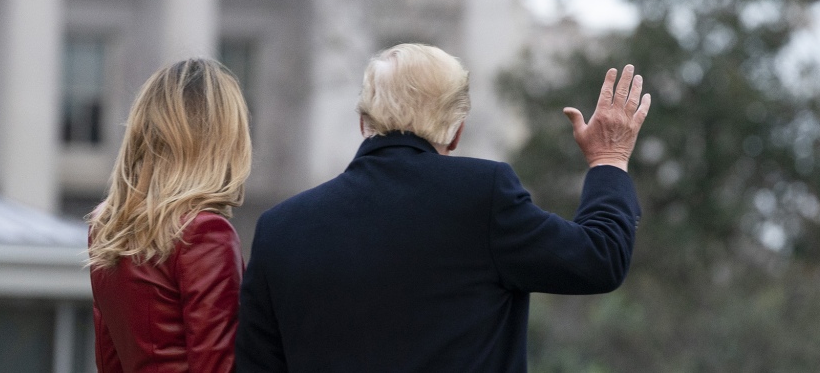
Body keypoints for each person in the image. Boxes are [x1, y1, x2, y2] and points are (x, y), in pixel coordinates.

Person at [236, 43, 651, 373]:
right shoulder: (481, 195)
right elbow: (599, 257)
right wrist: (609, 158)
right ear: (456, 130)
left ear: (364, 121)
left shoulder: (279, 228)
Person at [89, 58, 252, 373]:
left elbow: (108, 359)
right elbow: (217, 366)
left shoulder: (108, 225)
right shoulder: (206, 233)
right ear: (224, 139)